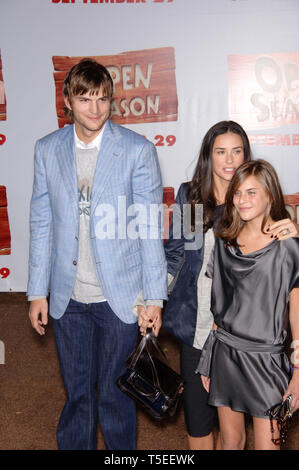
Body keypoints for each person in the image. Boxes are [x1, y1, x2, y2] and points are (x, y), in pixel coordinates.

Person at [27, 58, 167, 450]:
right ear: (67, 101)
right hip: (67, 296)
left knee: (115, 395)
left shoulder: (137, 151)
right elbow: (41, 223)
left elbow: (150, 229)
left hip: (119, 297)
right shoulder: (47, 150)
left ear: (111, 101)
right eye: (85, 99)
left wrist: (153, 297)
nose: (95, 108)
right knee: (77, 396)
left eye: (103, 99)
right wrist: (37, 291)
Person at [163, 121, 298, 450]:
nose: (229, 159)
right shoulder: (193, 198)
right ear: (209, 156)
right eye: (220, 151)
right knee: (198, 421)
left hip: (254, 336)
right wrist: (152, 300)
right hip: (199, 326)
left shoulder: (260, 207)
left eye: (237, 151)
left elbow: (285, 276)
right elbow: (178, 254)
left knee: (244, 429)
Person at [198, 159, 299, 450]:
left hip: (266, 361)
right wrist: (208, 357)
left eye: (252, 192)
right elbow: (221, 304)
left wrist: (297, 372)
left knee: (270, 444)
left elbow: (296, 315)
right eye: (238, 193)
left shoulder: (287, 246)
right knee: (231, 442)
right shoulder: (225, 239)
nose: (242, 200)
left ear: (271, 194)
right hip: (226, 352)